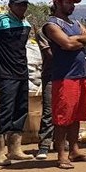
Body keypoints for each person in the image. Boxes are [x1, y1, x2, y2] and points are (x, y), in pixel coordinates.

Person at [42, 0, 86, 169]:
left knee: (76, 116)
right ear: (58, 4)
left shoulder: (74, 23)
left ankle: (74, 150)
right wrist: (79, 41)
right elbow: (66, 44)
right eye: (68, 2)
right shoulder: (51, 25)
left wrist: (76, 39)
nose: (72, 6)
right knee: (62, 117)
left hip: (80, 74)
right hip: (64, 76)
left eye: (73, 3)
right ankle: (61, 156)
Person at [0, 0, 34, 165]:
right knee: (6, 110)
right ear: (10, 5)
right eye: (18, 5)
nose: (22, 8)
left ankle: (15, 149)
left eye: (24, 5)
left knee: (21, 109)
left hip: (22, 71)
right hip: (5, 72)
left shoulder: (26, 23)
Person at [34, 28, 54, 160]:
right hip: (51, 75)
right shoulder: (44, 31)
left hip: (68, 75)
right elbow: (49, 53)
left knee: (66, 110)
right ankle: (45, 145)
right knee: (49, 110)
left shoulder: (72, 27)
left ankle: (62, 142)